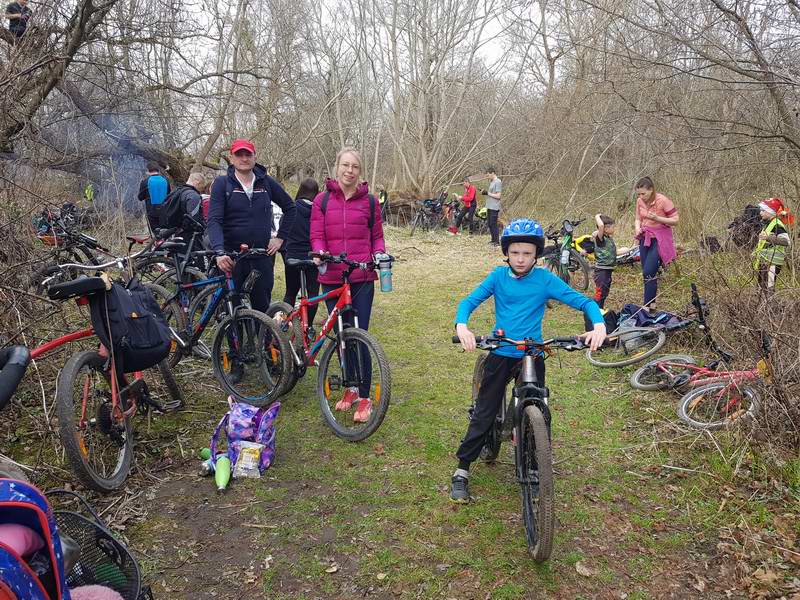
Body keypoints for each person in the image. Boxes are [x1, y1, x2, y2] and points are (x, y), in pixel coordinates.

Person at [450, 219, 607, 503]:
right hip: (501, 351)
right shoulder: (498, 277)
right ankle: (462, 469)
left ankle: (535, 465)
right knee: (484, 413)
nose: (520, 259)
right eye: (515, 253)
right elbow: (468, 303)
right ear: (506, 253)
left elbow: (585, 302)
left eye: (527, 253)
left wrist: (598, 325)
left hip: (533, 353)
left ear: (536, 255)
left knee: (538, 409)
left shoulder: (545, 279)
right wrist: (462, 326)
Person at [310, 147, 386, 423]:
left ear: (360, 171)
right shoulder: (322, 200)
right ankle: (350, 388)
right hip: (331, 276)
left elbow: (377, 236)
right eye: (345, 165)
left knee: (359, 335)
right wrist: (318, 251)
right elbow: (317, 233)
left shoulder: (370, 202)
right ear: (337, 167)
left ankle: (365, 395)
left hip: (361, 277)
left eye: (355, 166)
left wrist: (379, 254)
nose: (349, 170)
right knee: (340, 336)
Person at [207, 139, 296, 313]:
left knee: (262, 310)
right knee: (233, 311)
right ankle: (237, 339)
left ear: (255, 157)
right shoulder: (222, 184)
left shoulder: (266, 182)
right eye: (239, 154)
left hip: (261, 256)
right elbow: (214, 220)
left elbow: (290, 207)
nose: (244, 158)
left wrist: (280, 238)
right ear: (231, 158)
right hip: (231, 258)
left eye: (248, 154)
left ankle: (261, 340)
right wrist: (219, 252)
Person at [634, 177, 679, 311]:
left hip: (660, 239)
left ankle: (646, 306)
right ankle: (652, 304)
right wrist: (637, 228)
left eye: (643, 193)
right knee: (647, 272)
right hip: (645, 237)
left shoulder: (663, 201)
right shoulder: (639, 201)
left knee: (649, 271)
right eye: (639, 194)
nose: (641, 197)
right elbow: (637, 218)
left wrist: (657, 218)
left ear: (651, 190)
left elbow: (676, 220)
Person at [283, 178, 321, 323]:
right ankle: (308, 325)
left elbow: (283, 229)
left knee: (290, 293)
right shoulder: (319, 210)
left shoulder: (292, 208)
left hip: (293, 254)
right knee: (313, 294)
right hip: (312, 256)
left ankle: (287, 322)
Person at [753, 197, 791, 292]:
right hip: (765, 261)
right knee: (761, 288)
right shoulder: (768, 224)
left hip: (773, 263)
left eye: (763, 210)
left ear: (770, 212)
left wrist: (768, 238)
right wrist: (755, 252)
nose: (760, 213)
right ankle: (761, 305)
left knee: (769, 288)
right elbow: (764, 244)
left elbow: (786, 241)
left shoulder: (777, 224)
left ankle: (771, 306)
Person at [589, 214, 616, 309]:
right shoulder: (600, 238)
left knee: (604, 292)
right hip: (601, 271)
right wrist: (597, 216)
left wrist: (632, 249)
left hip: (608, 270)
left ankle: (600, 310)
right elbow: (600, 225)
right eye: (612, 227)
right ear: (605, 228)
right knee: (600, 293)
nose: (614, 229)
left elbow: (616, 252)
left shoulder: (609, 239)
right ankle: (595, 311)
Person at [137, 162, 171, 233]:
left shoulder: (145, 182)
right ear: (158, 170)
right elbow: (169, 194)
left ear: (148, 171)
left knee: (156, 234)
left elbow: (140, 197)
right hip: (165, 211)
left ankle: (158, 243)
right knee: (165, 233)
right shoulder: (166, 180)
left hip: (152, 212)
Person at [482, 167, 502, 246]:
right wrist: (484, 192)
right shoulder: (492, 181)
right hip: (489, 206)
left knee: (493, 224)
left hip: (494, 206)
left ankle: (496, 241)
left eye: (488, 175)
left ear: (493, 173)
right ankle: (493, 240)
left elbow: (498, 196)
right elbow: (490, 193)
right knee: (490, 223)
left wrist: (488, 193)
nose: (488, 177)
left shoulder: (498, 182)